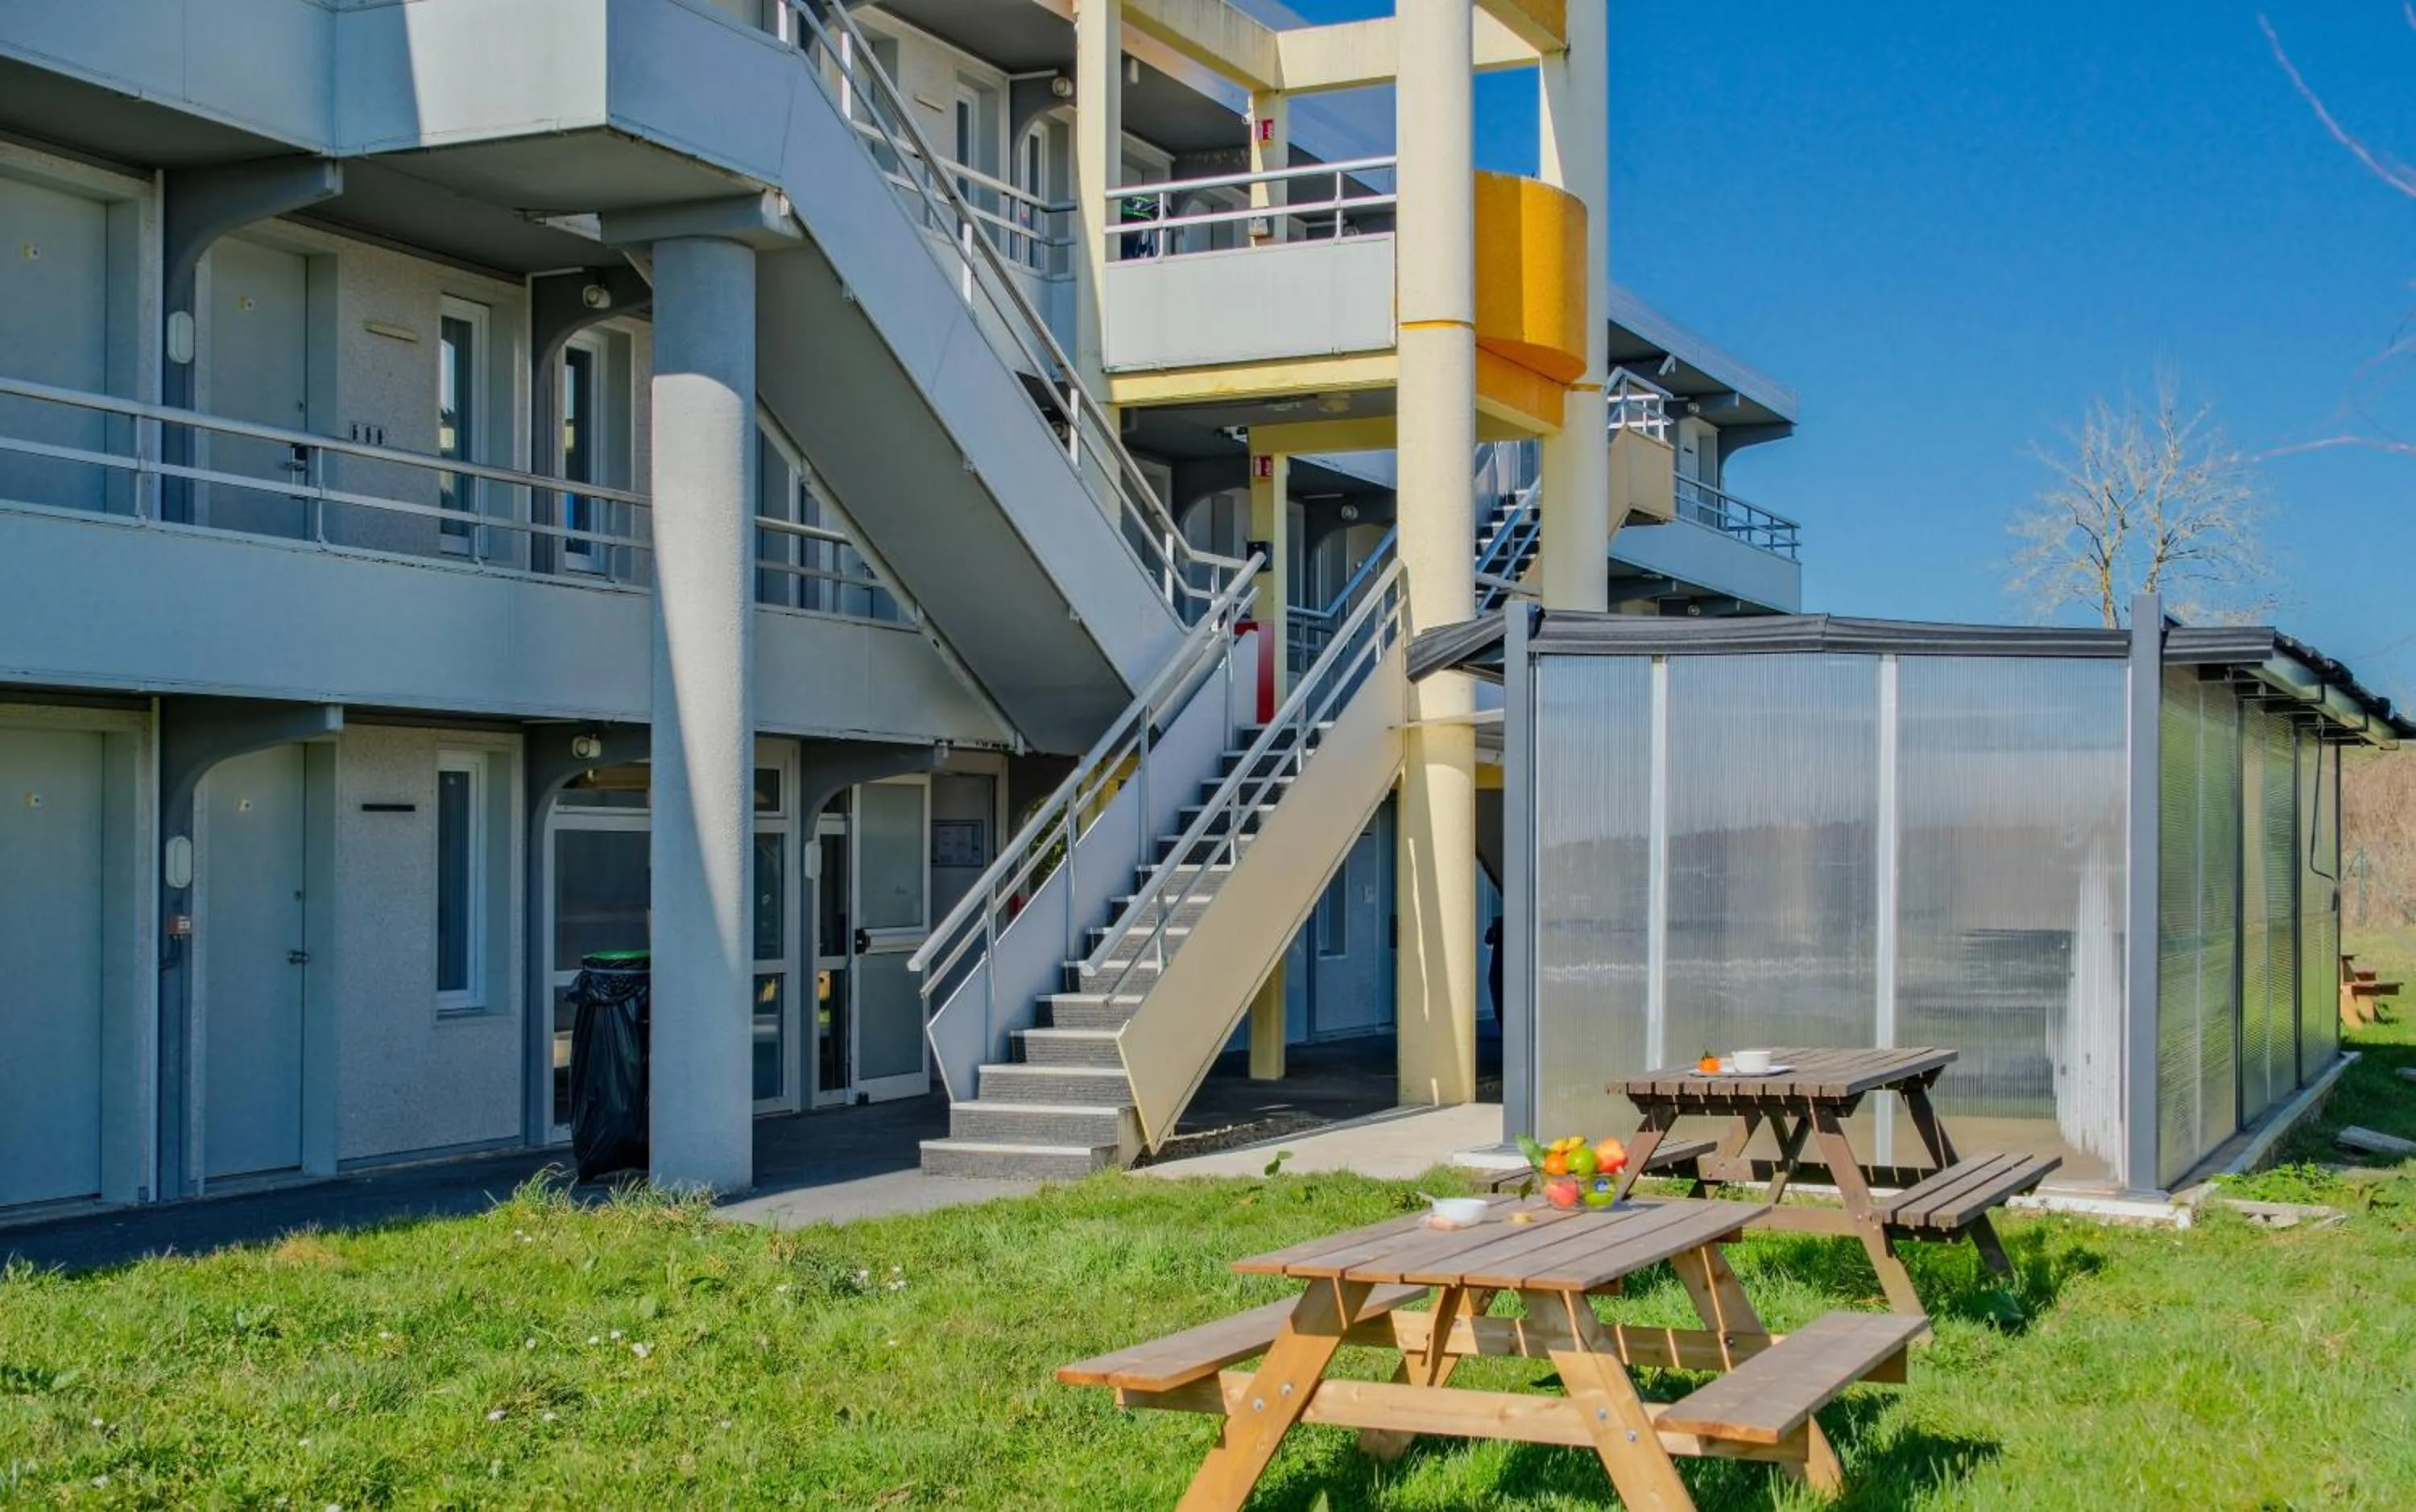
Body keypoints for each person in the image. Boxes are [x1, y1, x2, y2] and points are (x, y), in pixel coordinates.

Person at [1483, 915, 1504, 1018]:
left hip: (1500, 969)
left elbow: (1488, 940)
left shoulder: (1499, 922)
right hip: (1499, 969)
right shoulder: (1499, 923)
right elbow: (1488, 939)